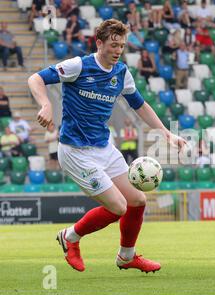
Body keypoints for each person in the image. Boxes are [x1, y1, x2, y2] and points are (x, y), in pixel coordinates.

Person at [28, 19, 187, 273]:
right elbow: (35, 79)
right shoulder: (78, 66)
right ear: (99, 42)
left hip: (104, 147)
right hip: (75, 151)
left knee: (137, 199)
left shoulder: (121, 72)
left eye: (122, 46)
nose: (117, 50)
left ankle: (127, 256)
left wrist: (167, 134)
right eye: (113, 44)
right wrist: (45, 104)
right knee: (118, 206)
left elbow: (140, 105)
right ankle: (70, 237)